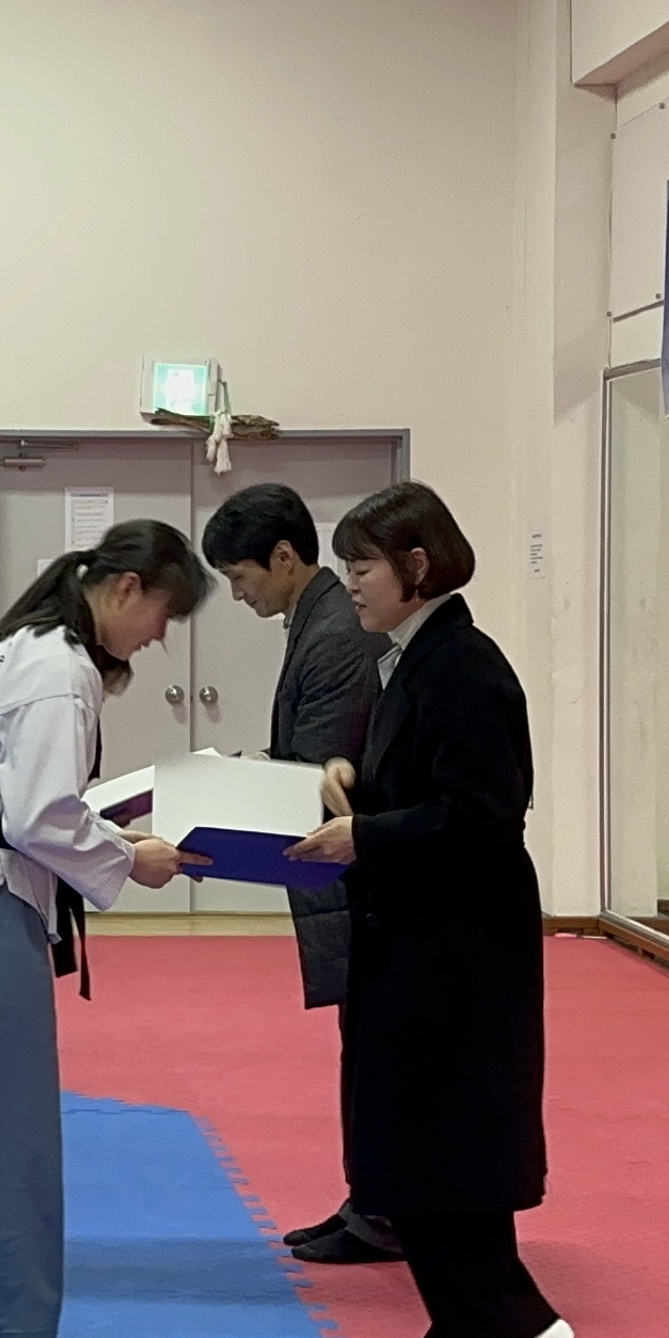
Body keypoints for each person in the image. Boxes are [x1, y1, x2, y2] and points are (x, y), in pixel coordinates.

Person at [0, 520, 209, 1338]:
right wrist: (129, 858)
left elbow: (24, 804)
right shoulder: (59, 669)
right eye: (164, 614)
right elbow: (39, 817)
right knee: (10, 1145)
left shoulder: (23, 646)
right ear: (127, 588)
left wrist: (104, 839)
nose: (158, 636)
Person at [284, 482, 570, 1338]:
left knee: (449, 1132)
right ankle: (456, 1328)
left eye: (362, 566)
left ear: (417, 565)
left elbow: (483, 815)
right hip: (413, 926)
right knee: (409, 1129)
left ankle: (513, 1320)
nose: (350, 584)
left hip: (461, 940)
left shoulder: (466, 666)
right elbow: (424, 784)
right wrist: (352, 784)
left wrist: (364, 836)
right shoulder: (412, 658)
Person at [200, 481, 394, 1267]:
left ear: (284, 557)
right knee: (365, 1045)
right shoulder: (316, 620)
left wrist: (217, 798)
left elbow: (317, 775)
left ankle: (382, 1212)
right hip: (355, 870)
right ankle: (370, 1202)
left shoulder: (336, 635)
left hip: (367, 878)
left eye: (240, 577)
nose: (238, 594)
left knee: (377, 1050)